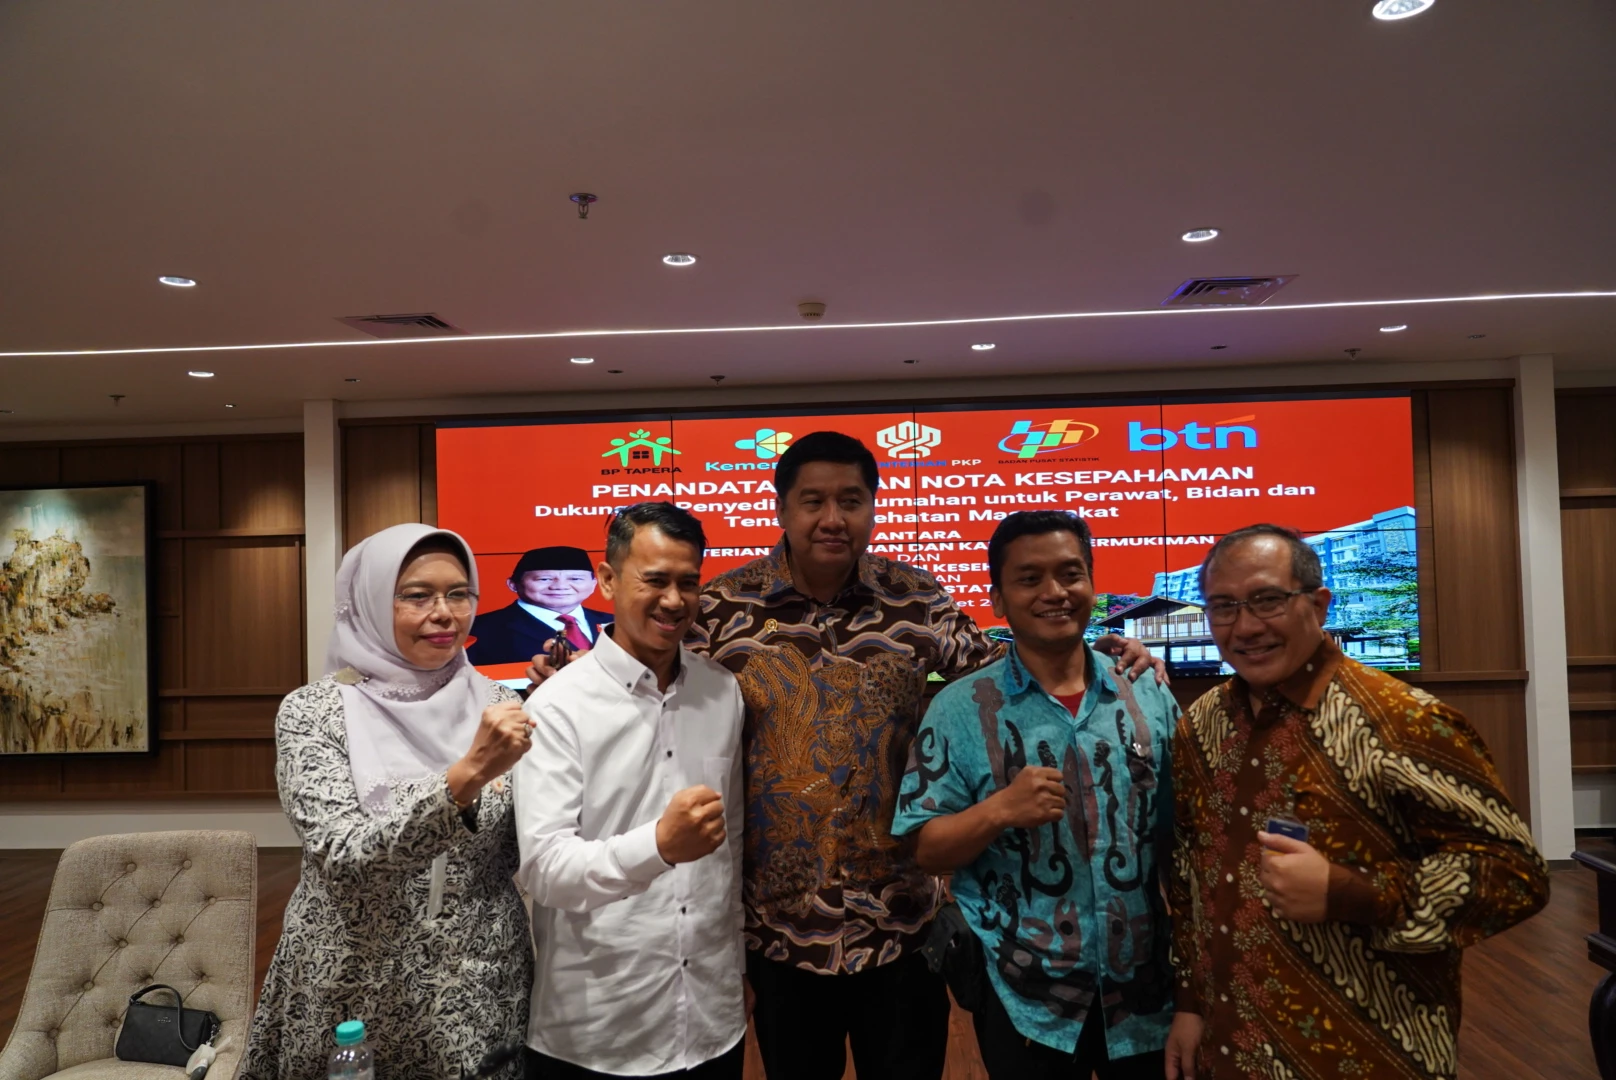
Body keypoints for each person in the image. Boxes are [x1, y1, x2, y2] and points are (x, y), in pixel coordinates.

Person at [525, 432, 1162, 1080]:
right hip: (780, 935)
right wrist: (570, 672)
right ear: (782, 508)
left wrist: (1102, 656)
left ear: (872, 508)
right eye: (813, 501)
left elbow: (1006, 667)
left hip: (901, 926)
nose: (832, 518)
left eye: (851, 500)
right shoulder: (721, 609)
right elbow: (649, 667)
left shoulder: (915, 598)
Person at [1164, 524, 1550, 1080]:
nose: (1245, 627)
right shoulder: (1201, 725)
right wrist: (1190, 1002)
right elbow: (1187, 874)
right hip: (1229, 1047)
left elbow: (1516, 874)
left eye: (1268, 600)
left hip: (1368, 1049)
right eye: (1223, 607)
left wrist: (1350, 892)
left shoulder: (1404, 720)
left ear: (1318, 604)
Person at [243, 524, 534, 1080]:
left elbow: (525, 846)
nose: (444, 613)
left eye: (459, 593)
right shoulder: (314, 712)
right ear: (370, 603)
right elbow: (343, 854)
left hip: (477, 980)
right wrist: (464, 778)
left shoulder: (500, 703)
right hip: (352, 982)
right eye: (417, 596)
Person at [893, 510, 1176, 1079]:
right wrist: (999, 811)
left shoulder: (1145, 690)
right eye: (1029, 579)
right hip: (1023, 995)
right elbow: (923, 847)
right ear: (998, 600)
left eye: (1070, 574)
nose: (1054, 592)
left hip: (1147, 991)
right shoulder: (960, 708)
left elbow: (1183, 834)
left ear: (1091, 583)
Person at [515, 502, 746, 1079]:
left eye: (688, 582)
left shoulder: (722, 692)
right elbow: (545, 869)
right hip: (600, 1029)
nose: (674, 600)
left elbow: (732, 847)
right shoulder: (557, 706)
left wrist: (737, 967)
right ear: (608, 580)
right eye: (655, 580)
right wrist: (658, 847)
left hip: (712, 1019)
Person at [467, 545, 612, 666]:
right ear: (513, 584)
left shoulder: (616, 623)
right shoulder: (476, 630)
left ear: (594, 584)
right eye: (544, 579)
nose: (560, 586)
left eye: (575, 579)